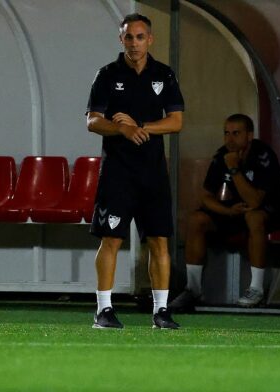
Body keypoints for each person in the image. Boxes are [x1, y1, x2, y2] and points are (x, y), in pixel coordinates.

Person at [85, 13, 184, 329]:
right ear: (121, 40)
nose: (134, 43)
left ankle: (162, 311)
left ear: (150, 39)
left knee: (159, 241)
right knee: (111, 239)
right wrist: (121, 129)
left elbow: (177, 121)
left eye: (140, 37)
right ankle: (104, 310)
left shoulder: (164, 75)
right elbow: (92, 120)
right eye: (129, 37)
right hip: (118, 172)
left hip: (153, 172)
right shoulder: (107, 74)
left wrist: (141, 127)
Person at [168, 114, 280, 310]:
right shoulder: (222, 155)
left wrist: (234, 168)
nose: (230, 139)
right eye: (226, 133)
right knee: (197, 219)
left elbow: (255, 201)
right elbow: (206, 197)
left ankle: (256, 289)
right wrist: (227, 212)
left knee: (254, 217)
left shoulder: (263, 155)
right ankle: (192, 289)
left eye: (236, 133)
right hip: (239, 211)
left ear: (249, 135)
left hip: (273, 212)